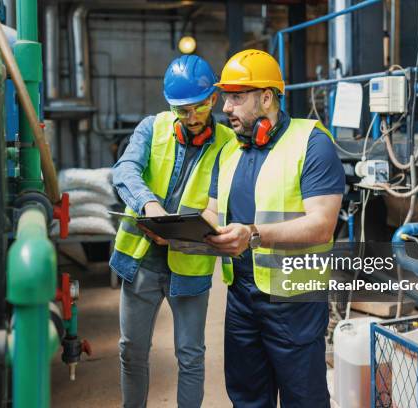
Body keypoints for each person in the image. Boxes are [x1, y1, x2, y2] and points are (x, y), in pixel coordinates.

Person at [203, 49, 345, 408]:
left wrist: (253, 234)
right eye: (226, 97)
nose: (226, 108)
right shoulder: (230, 151)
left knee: (303, 399)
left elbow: (322, 225)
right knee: (248, 397)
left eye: (237, 97)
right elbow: (213, 212)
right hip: (241, 297)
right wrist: (174, 229)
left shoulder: (311, 143)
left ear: (266, 97)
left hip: (293, 298)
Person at [110, 55, 235, 408]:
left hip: (189, 265)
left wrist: (179, 233)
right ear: (170, 106)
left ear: (213, 99)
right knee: (131, 351)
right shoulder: (152, 128)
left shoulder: (227, 142)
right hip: (142, 262)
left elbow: (219, 201)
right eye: (182, 111)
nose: (192, 117)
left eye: (198, 107)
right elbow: (125, 171)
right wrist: (150, 206)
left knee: (191, 356)